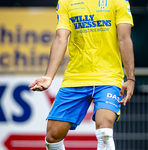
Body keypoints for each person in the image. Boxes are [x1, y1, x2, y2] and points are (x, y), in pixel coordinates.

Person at [29, 0, 135, 149]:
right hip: (75, 78)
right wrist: (49, 77)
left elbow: (124, 39)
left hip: (108, 78)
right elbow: (60, 39)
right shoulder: (66, 2)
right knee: (52, 137)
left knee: (104, 130)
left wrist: (130, 78)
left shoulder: (118, 1)